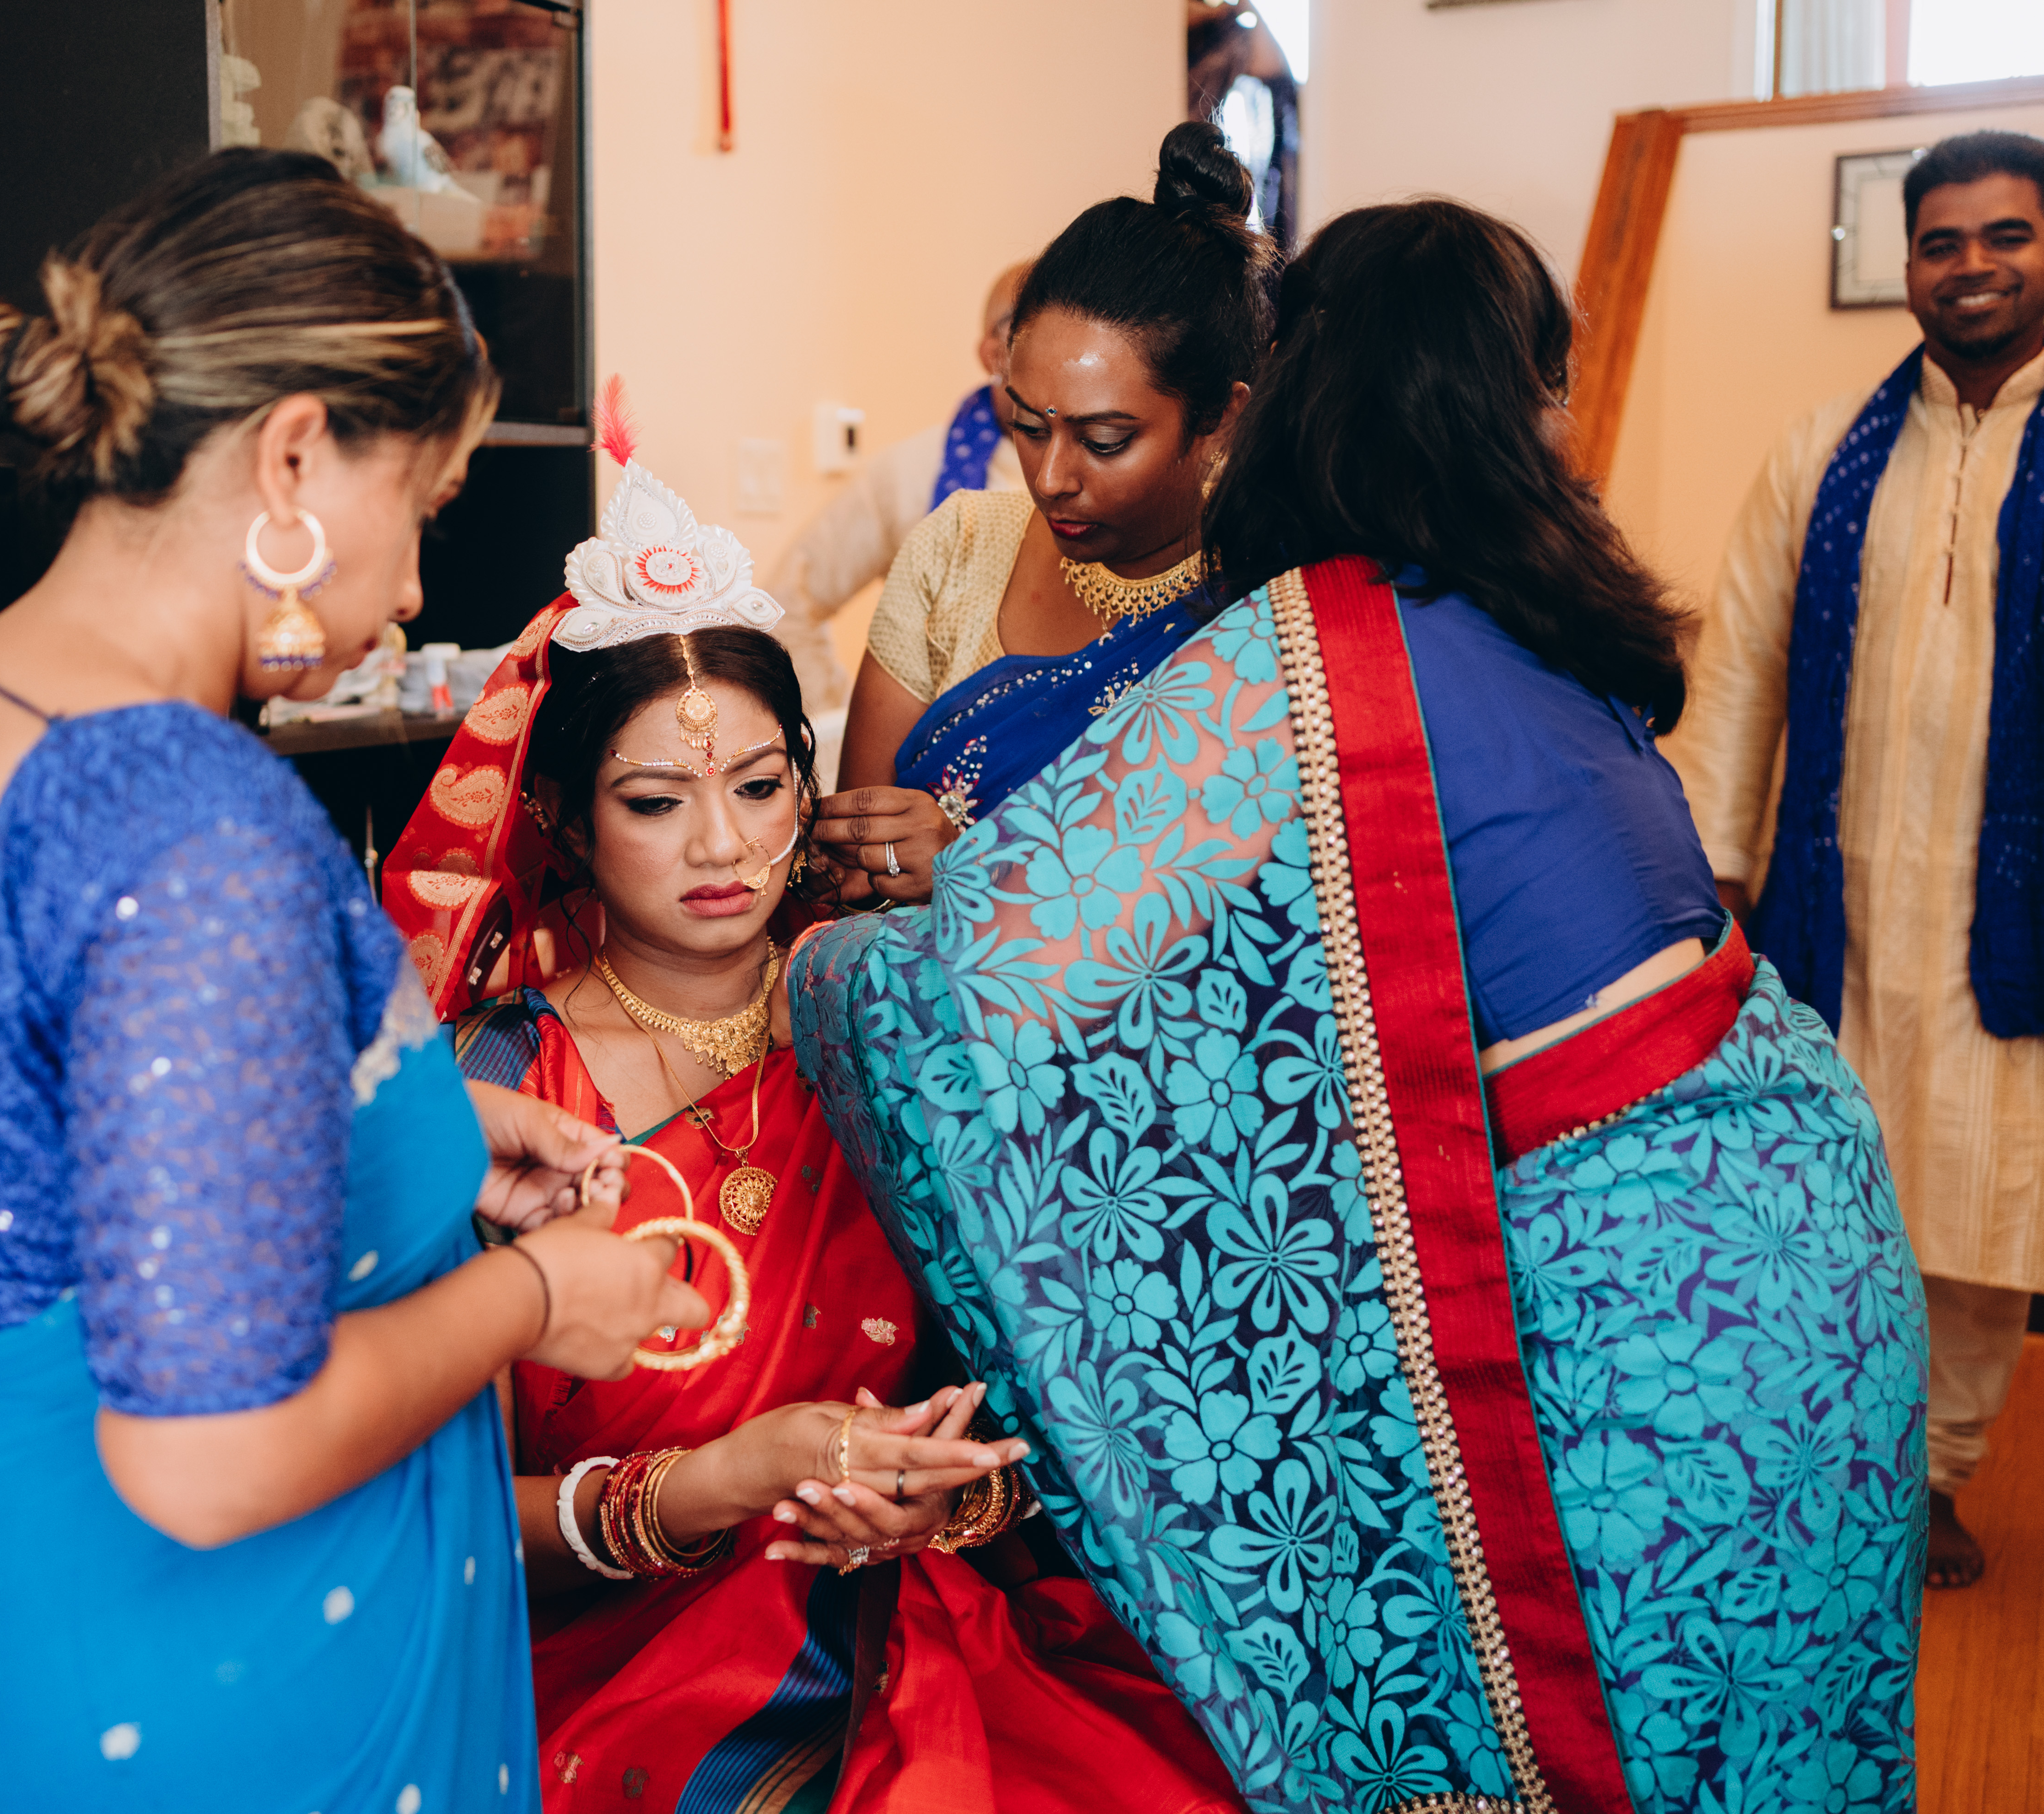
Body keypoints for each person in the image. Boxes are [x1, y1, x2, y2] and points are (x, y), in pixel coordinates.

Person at [784, 199, 1927, 1814]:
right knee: (1770, 1733)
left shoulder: (1300, 652)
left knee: (1612, 1735)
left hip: (1639, 1312)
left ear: (1271, 401)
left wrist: (819, 969)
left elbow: (966, 999)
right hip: (1807, 1226)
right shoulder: (1535, 599)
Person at [0, 149, 704, 1813]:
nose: (415, 589)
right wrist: (537, 1296)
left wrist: (424, 1136)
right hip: (170, 1680)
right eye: (420, 508)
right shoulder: (190, 816)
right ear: (292, 453)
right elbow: (208, 1458)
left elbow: (32, 1149)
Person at [381, 432, 1245, 1813]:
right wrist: (719, 1481)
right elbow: (447, 1523)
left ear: (808, 777)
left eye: (758, 784)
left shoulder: (906, 1015)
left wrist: (958, 1489)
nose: (722, 845)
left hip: (928, 1617)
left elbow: (1080, 1387)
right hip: (612, 1659)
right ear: (561, 817)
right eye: (655, 801)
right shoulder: (493, 1087)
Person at [1669, 128, 2044, 1593]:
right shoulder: (1821, 450)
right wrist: (1710, 873)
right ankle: (1835, 1463)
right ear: (1907, 266)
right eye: (1942, 241)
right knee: (1834, 1201)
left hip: (2011, 915)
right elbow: (1739, 674)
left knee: (1981, 1200)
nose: (1972, 266)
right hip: (1842, 907)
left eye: (2005, 235)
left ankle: (1934, 1472)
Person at [817, 122, 1268, 910]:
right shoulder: (956, 547)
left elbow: (1246, 905)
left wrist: (983, 866)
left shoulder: (1264, 596)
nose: (1052, 479)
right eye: (1027, 426)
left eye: (1104, 440)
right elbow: (853, 876)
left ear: (1220, 419)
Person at [764, 261, 1031, 715]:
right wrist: (834, 724)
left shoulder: (1107, 471)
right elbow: (788, 603)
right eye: (1028, 328)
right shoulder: (910, 473)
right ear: (992, 353)